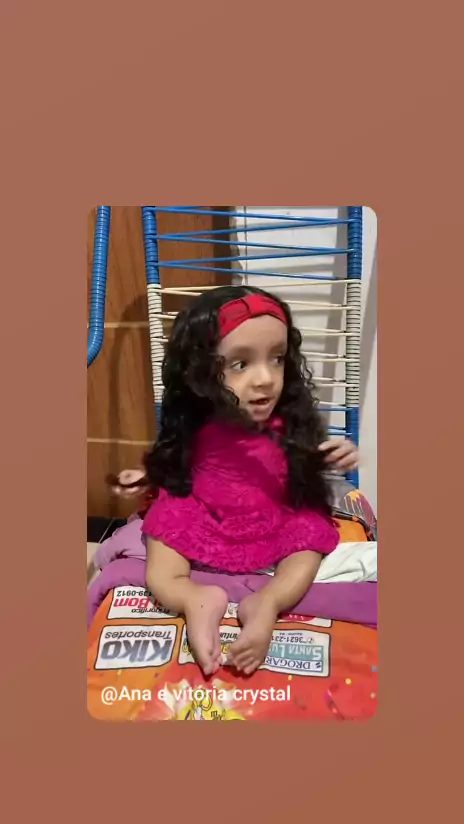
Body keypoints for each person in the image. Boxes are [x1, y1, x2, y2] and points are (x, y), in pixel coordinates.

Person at [112, 285, 359, 677]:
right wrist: (146, 475)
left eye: (277, 359)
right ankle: (194, 597)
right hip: (202, 510)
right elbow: (172, 459)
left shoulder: (287, 423)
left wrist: (331, 455)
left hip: (272, 511)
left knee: (309, 537)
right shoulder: (199, 422)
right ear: (200, 372)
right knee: (161, 540)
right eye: (240, 364)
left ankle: (267, 602)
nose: (265, 379)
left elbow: (306, 460)